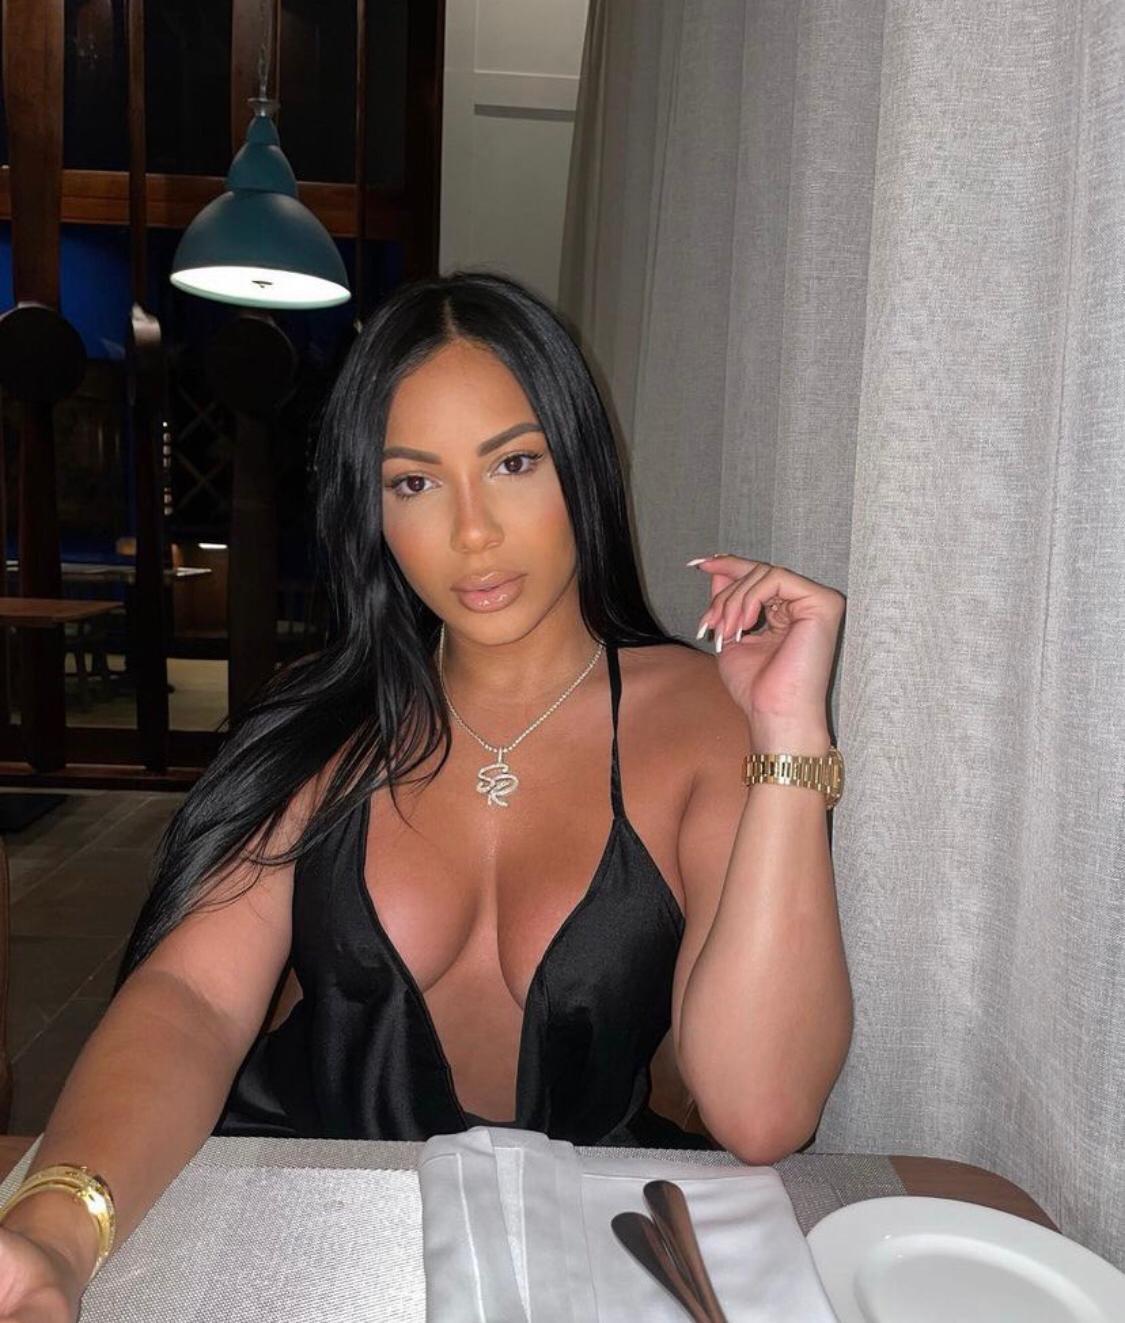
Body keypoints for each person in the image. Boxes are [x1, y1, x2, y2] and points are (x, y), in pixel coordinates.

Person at [0, 272, 852, 1318]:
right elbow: (193, 1000)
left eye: (514, 463)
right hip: (301, 1241)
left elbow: (763, 1112)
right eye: (414, 482)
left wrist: (790, 735)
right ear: (372, 508)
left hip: (577, 1271)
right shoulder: (320, 724)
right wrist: (55, 1232)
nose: (473, 531)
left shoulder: (703, 720)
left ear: (582, 463)